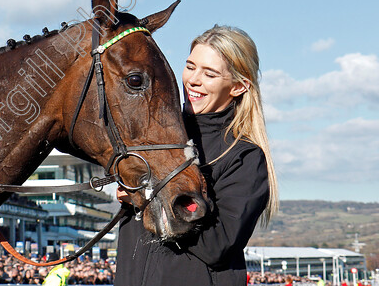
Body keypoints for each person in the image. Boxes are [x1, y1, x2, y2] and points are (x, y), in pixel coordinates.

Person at [114, 25, 279, 286]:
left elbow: (219, 246)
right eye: (190, 67)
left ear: (238, 86)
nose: (193, 80)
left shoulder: (244, 157)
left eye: (209, 74)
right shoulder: (154, 138)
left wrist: (149, 196)